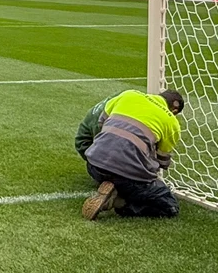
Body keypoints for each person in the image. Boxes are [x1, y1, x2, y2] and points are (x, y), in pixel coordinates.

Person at [74, 88, 185, 220]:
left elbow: (101, 122)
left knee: (119, 172)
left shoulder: (129, 95)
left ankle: (112, 184)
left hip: (94, 166)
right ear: (174, 111)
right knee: (170, 206)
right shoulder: (171, 121)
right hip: (126, 177)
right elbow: (162, 161)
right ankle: (119, 202)